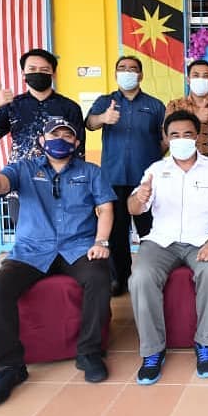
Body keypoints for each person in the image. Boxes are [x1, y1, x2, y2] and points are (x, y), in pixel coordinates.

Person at [0, 117, 115, 407]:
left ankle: (89, 352)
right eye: (54, 135)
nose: (60, 140)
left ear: (77, 142)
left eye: (67, 135)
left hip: (78, 247)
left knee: (100, 277)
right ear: (42, 140)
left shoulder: (90, 172)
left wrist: (101, 242)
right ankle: (9, 367)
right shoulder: (24, 168)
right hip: (32, 250)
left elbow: (105, 208)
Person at [127, 110, 208, 383]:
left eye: (187, 134)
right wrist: (139, 198)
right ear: (166, 138)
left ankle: (206, 343)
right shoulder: (156, 170)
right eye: (175, 135)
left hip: (204, 239)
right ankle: (153, 350)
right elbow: (133, 207)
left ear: (197, 137)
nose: (181, 139)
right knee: (140, 277)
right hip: (162, 241)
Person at [85, 56, 167, 296]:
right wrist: (103, 118)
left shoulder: (155, 105)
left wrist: (150, 156)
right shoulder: (105, 101)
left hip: (146, 181)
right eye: (122, 68)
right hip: (113, 177)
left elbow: (165, 139)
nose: (127, 72)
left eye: (133, 69)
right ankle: (118, 278)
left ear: (141, 75)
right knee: (117, 232)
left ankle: (153, 276)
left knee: (150, 231)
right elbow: (89, 123)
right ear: (115, 74)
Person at [0, 48, 85, 161]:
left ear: (54, 74)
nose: (38, 72)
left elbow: (79, 149)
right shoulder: (13, 106)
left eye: (44, 69)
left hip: (58, 170)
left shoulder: (70, 107)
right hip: (20, 170)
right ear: (23, 74)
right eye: (32, 69)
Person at [165, 59, 208, 163]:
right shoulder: (175, 106)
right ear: (188, 80)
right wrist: (195, 119)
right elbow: (167, 139)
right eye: (196, 75)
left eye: (205, 76)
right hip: (181, 167)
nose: (200, 79)